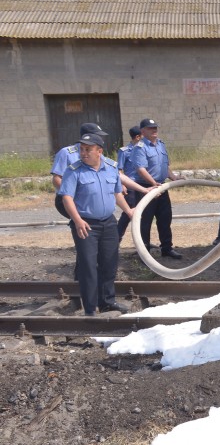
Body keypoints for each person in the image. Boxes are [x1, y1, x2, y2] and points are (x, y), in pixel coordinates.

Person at [57, 132, 135, 316]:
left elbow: (116, 194)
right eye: (82, 150)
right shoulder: (73, 170)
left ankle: (107, 301)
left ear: (99, 151)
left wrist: (129, 211)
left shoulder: (111, 168)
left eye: (88, 150)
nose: (83, 153)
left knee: (109, 263)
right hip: (86, 224)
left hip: (108, 223)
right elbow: (66, 197)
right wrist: (77, 221)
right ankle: (91, 308)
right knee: (88, 266)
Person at [132, 118, 182, 259]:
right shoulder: (140, 148)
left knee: (165, 219)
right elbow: (141, 169)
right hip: (146, 189)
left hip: (161, 187)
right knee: (145, 222)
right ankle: (144, 253)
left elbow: (165, 166)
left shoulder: (161, 145)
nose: (154, 130)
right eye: (150, 128)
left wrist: (174, 178)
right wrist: (153, 184)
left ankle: (167, 248)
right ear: (142, 131)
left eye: (155, 128)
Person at [51, 122, 109, 217]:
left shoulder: (97, 153)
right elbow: (57, 178)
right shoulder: (66, 153)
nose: (102, 140)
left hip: (88, 197)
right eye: (99, 136)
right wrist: (72, 194)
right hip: (70, 197)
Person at [116, 126, 150, 240]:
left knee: (143, 213)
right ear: (137, 137)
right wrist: (122, 184)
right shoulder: (124, 151)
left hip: (143, 185)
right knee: (128, 213)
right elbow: (119, 170)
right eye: (142, 137)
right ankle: (117, 238)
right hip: (131, 186)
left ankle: (143, 242)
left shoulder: (144, 149)